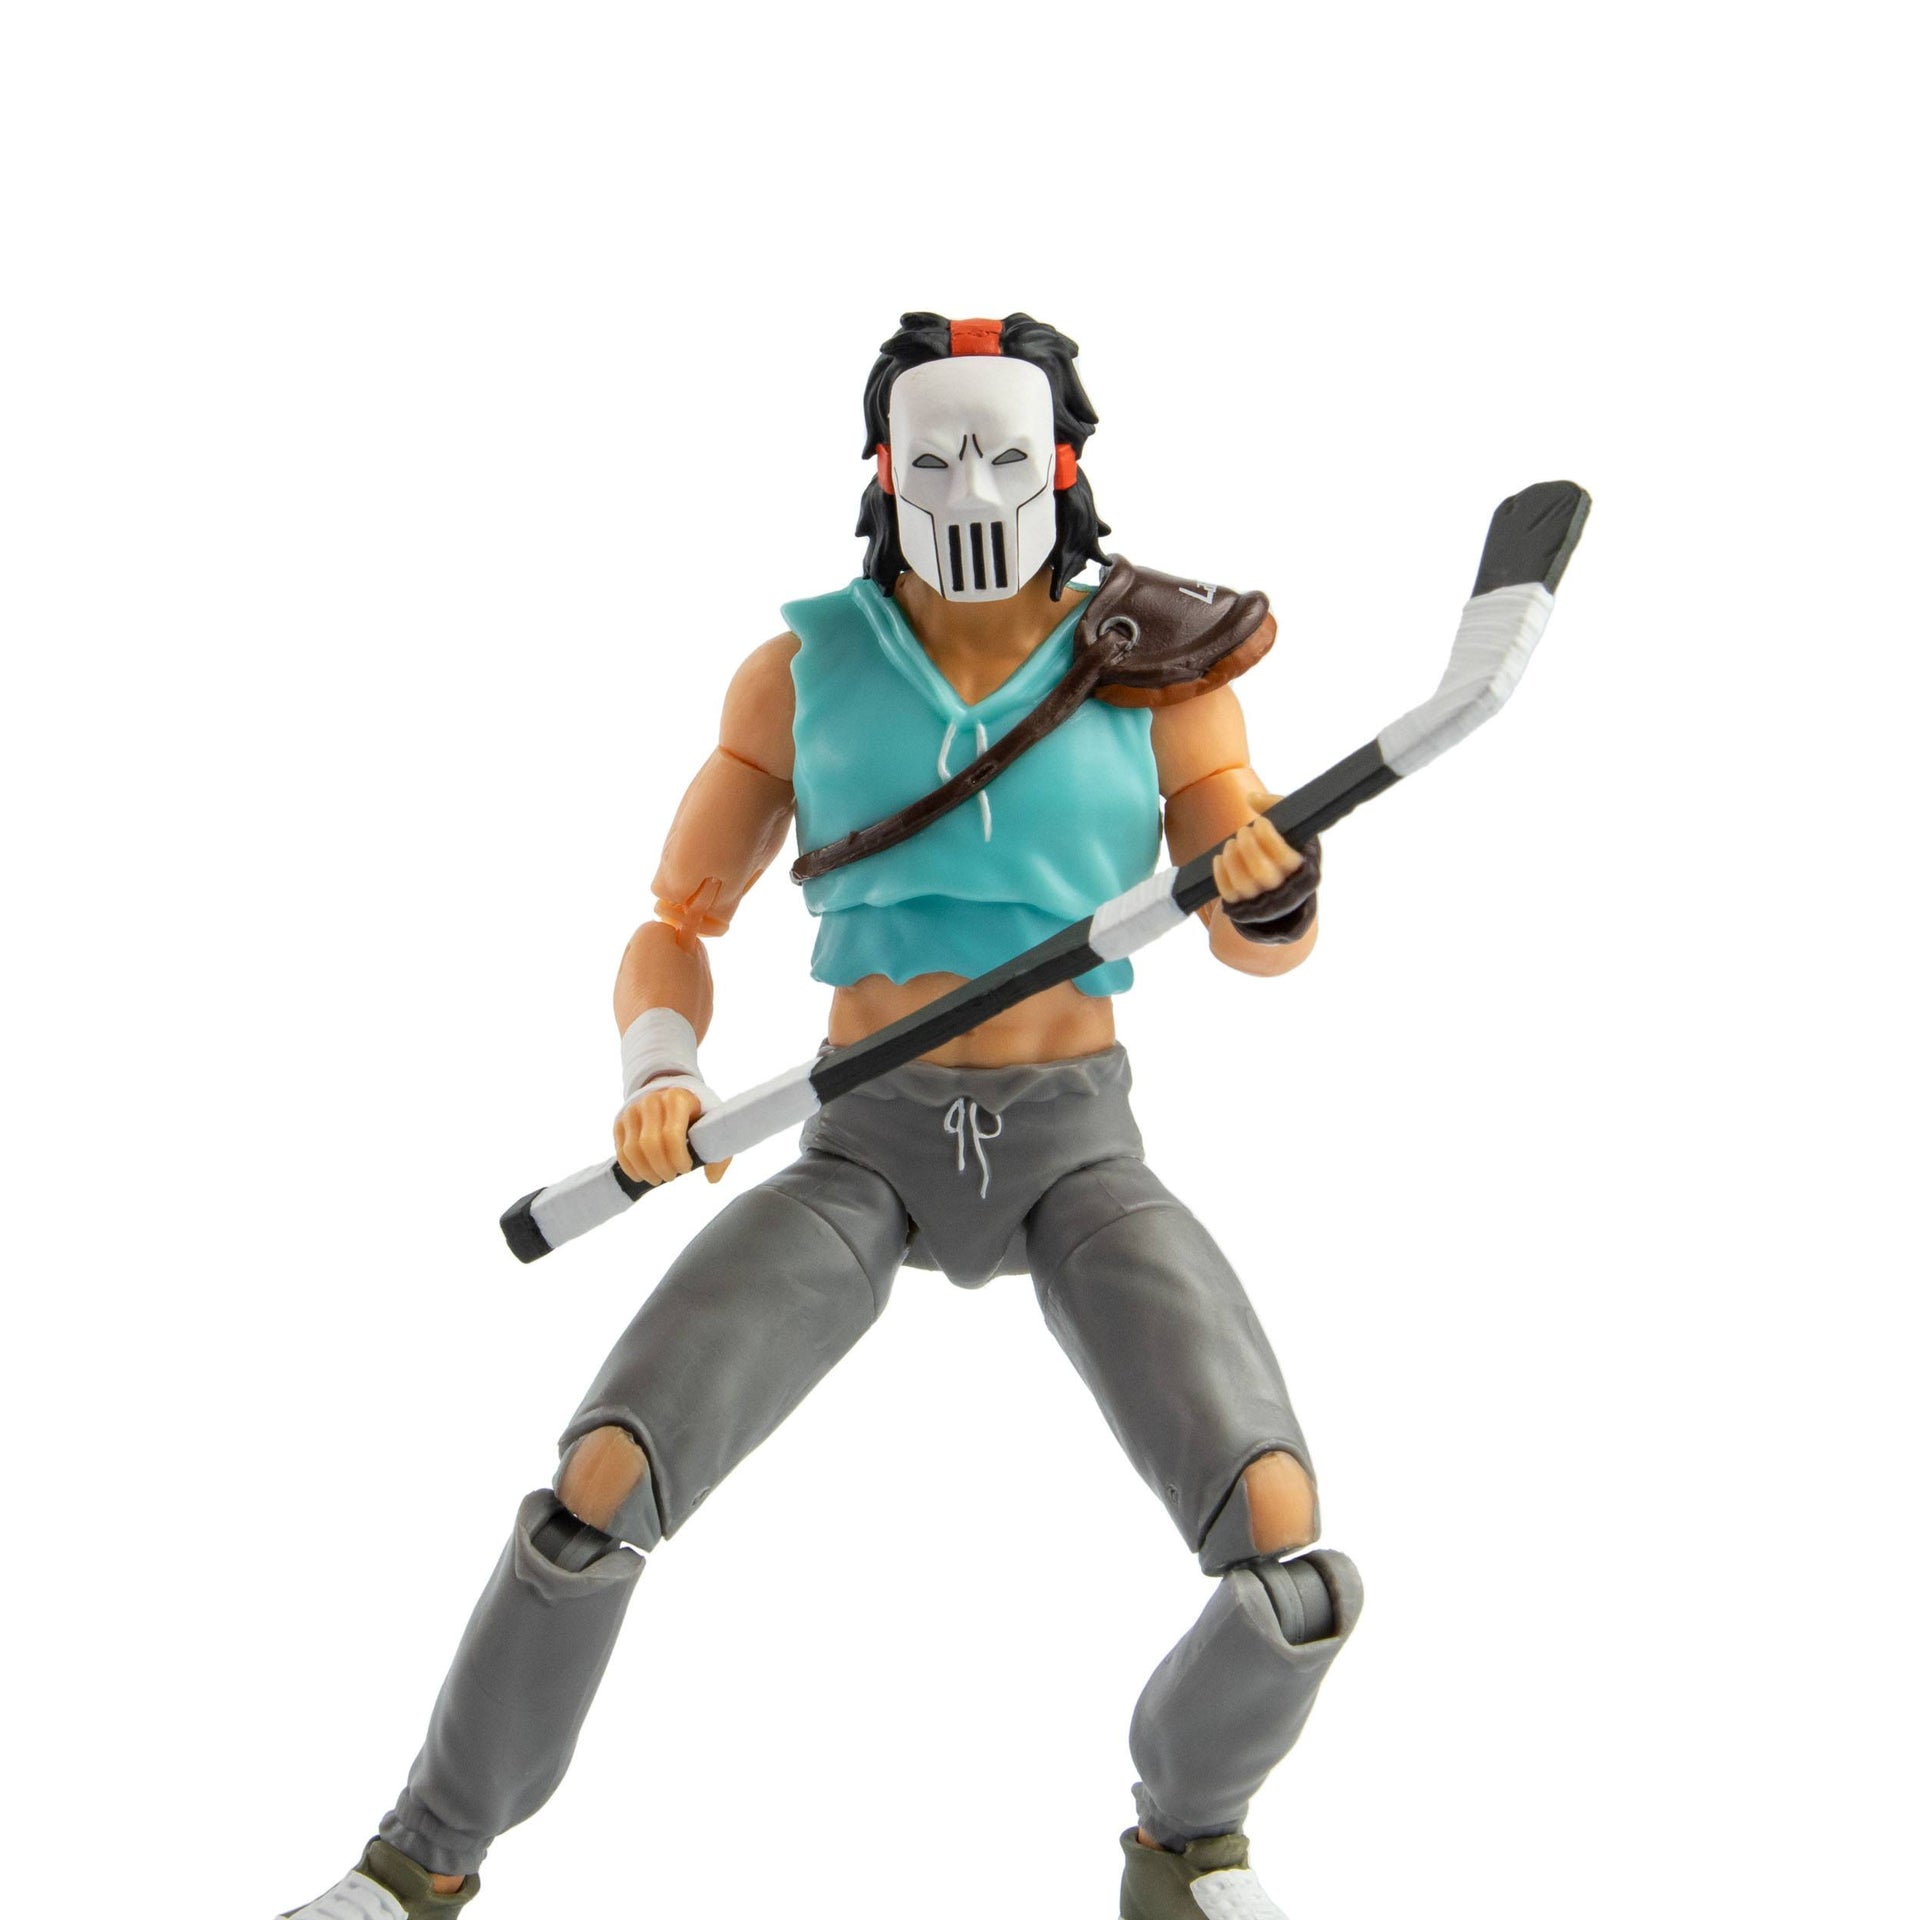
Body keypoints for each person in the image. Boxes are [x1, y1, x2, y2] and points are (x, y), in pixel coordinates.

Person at [283, 311, 1362, 1920]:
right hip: (867, 1139)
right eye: (937, 458)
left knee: (1282, 1538)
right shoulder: (801, 674)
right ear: (882, 470)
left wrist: (1269, 888)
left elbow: (1253, 924)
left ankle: (1190, 1842)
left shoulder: (1161, 665)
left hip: (1077, 1144)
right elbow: (675, 921)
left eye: (1006, 455)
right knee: (602, 1481)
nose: (973, 490)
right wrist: (660, 1073)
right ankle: (419, 1862)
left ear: (1066, 466)